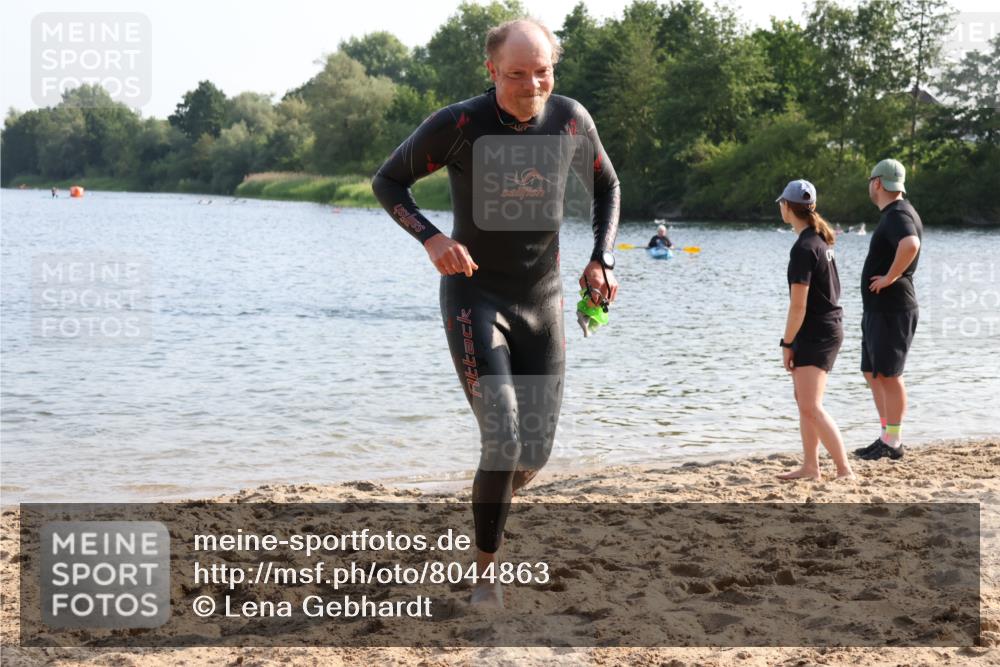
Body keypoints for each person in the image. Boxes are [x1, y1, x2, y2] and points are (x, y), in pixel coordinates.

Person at [371, 18, 620, 609]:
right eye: (517, 74)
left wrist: (602, 258)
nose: (532, 85)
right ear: (491, 70)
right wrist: (432, 238)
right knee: (503, 441)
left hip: (543, 300)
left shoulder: (570, 119)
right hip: (475, 297)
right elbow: (389, 181)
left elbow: (608, 187)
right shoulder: (460, 125)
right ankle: (486, 575)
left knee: (533, 453)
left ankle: (493, 491)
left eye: (543, 72)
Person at [775, 179, 854, 481]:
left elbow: (798, 306)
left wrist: (786, 343)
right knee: (804, 402)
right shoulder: (819, 241)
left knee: (811, 405)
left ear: (787, 207)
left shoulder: (804, 248)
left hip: (818, 332)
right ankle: (811, 466)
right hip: (822, 328)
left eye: (781, 204)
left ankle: (844, 470)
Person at [854, 159, 923, 461]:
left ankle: (893, 441)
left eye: (870, 181)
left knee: (889, 375)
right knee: (873, 372)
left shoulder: (898, 213)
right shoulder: (895, 213)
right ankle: (885, 435)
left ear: (878, 183)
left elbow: (911, 244)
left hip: (893, 308)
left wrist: (890, 277)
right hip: (879, 309)